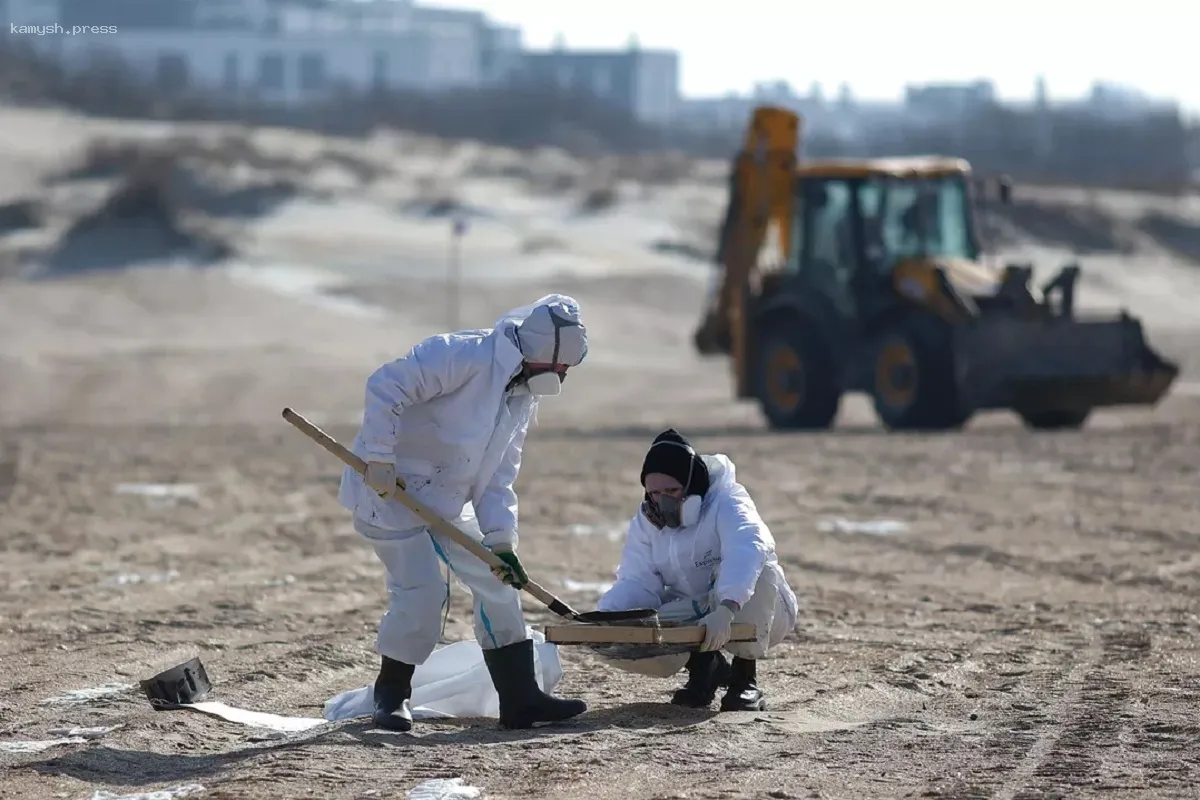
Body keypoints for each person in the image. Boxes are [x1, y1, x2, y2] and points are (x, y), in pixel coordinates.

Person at [337, 293, 590, 731]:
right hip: (388, 496)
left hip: (447, 503)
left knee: (498, 586)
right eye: (560, 369)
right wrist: (379, 458)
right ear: (537, 355)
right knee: (422, 594)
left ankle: (520, 699)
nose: (562, 377)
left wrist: (501, 542)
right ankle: (391, 696)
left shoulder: (523, 395)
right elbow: (386, 384)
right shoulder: (462, 355)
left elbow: (497, 478)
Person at [595, 429, 798, 712]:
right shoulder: (646, 522)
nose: (662, 500)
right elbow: (637, 581)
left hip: (761, 609)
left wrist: (727, 608)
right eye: (655, 493)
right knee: (628, 630)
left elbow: (749, 546)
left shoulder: (728, 502)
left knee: (759, 569)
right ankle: (705, 668)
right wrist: (604, 618)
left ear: (692, 485)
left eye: (672, 491)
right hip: (696, 608)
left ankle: (744, 679)